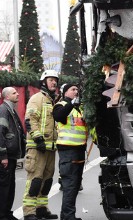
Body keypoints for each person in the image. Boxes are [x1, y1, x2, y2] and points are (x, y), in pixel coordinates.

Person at [22, 70, 60, 220]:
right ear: (44, 82)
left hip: (51, 147)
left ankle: (42, 209)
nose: (54, 82)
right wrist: (38, 140)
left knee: (47, 180)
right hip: (37, 147)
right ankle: (29, 212)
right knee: (35, 180)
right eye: (51, 80)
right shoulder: (36, 98)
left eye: (55, 80)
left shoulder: (54, 100)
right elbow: (30, 120)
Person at [52, 83, 87, 220]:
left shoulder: (79, 108)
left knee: (75, 185)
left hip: (79, 150)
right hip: (68, 150)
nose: (76, 91)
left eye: (77, 89)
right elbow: (59, 116)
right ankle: (68, 217)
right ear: (65, 92)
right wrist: (71, 103)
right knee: (70, 185)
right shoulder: (60, 105)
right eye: (73, 89)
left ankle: (67, 216)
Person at [0, 87, 25, 220]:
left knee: (10, 186)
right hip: (5, 156)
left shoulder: (10, 110)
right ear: (7, 97)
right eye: (14, 93)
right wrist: (2, 156)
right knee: (3, 186)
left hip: (11, 156)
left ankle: (6, 213)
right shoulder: (3, 110)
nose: (18, 94)